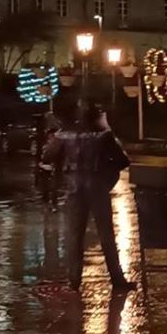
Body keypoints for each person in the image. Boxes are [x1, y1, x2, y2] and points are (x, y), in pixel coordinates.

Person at [42, 99, 136, 292]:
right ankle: (117, 280)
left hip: (75, 188)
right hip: (98, 187)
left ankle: (74, 281)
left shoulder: (64, 135)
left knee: (74, 236)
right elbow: (122, 161)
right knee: (107, 236)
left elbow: (47, 156)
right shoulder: (103, 135)